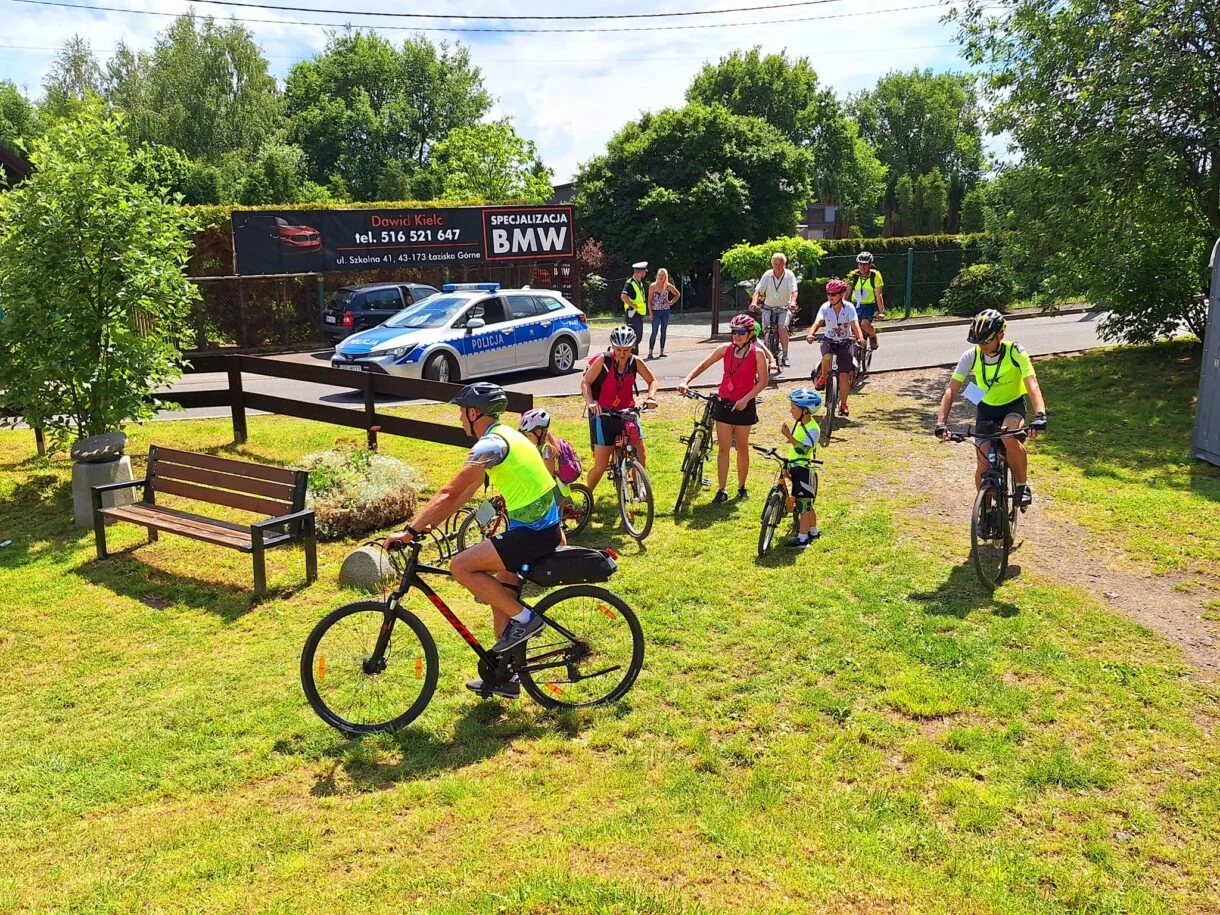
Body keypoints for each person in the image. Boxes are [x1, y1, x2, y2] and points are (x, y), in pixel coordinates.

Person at [383, 383, 561, 700]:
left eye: (461, 412)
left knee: (461, 567)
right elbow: (464, 492)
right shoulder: (506, 436)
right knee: (501, 593)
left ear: (473, 413)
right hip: (539, 528)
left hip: (534, 532)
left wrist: (409, 532)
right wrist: (429, 524)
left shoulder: (490, 445)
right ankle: (506, 674)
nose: (459, 419)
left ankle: (527, 620)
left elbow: (449, 492)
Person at [934, 310, 1048, 507]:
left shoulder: (1015, 351)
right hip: (986, 408)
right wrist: (941, 423)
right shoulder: (971, 355)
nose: (982, 346)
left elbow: (1032, 385)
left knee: (1008, 437)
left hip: (1012, 405)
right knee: (983, 463)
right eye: (978, 342)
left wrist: (1040, 415)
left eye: (986, 341)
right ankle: (984, 511)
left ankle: (1022, 486)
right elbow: (951, 390)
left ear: (1000, 335)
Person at [678, 313, 769, 502]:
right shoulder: (725, 349)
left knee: (742, 447)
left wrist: (746, 399)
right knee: (723, 448)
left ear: (750, 334)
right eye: (734, 331)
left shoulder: (758, 353)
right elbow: (704, 365)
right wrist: (686, 380)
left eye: (741, 332)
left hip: (744, 404)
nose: (736, 335)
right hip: (724, 402)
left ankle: (741, 487)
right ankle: (722, 489)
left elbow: (763, 381)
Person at [582, 326, 658, 495]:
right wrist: (590, 403)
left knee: (640, 452)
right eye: (618, 349)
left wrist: (651, 397)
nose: (622, 354)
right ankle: (587, 496)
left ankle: (639, 485)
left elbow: (652, 380)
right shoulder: (603, 361)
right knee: (601, 465)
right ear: (613, 347)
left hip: (628, 412)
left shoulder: (635, 362)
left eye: (626, 350)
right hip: (604, 414)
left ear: (632, 348)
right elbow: (586, 382)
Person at [806, 278, 866, 417]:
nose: (830, 297)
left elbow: (855, 324)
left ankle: (843, 404)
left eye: (833, 294)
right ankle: (823, 376)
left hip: (845, 342)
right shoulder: (825, 307)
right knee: (826, 356)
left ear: (841, 294)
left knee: (844, 375)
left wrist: (861, 338)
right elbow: (818, 321)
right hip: (829, 340)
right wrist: (811, 334)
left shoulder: (849, 308)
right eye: (828, 293)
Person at [518, 408, 580, 521]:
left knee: (552, 520)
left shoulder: (547, 450)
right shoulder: (541, 444)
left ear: (539, 433)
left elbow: (548, 475)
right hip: (552, 488)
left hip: (556, 490)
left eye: (529, 436)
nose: (528, 439)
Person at [783, 388, 823, 547]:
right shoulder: (800, 424)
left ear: (805, 411)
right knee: (807, 502)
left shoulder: (813, 429)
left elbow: (804, 450)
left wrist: (788, 436)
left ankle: (802, 538)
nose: (790, 411)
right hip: (795, 465)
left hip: (803, 469)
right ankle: (813, 531)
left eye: (793, 408)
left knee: (803, 505)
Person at [750, 252, 799, 368]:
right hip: (768, 307)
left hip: (784, 308)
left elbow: (794, 291)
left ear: (784, 264)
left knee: (782, 328)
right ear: (772, 264)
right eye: (775, 264)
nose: (778, 266)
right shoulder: (768, 274)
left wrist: (792, 302)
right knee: (765, 328)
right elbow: (758, 291)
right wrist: (754, 302)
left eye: (780, 264)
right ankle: (768, 350)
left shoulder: (789, 275)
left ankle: (785, 356)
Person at [848, 251, 886, 350]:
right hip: (855, 304)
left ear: (870, 265)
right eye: (860, 264)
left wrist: (881, 312)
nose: (862, 267)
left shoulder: (875, 275)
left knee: (864, 324)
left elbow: (878, 295)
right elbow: (846, 293)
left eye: (865, 264)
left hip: (869, 305)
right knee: (853, 328)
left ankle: (873, 336)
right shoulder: (853, 275)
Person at [647, 267, 681, 359]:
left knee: (663, 331)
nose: (661, 277)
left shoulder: (668, 286)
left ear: (666, 277)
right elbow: (649, 300)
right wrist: (650, 313)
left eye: (663, 275)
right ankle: (650, 352)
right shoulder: (652, 286)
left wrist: (671, 302)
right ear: (657, 276)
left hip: (665, 311)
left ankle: (662, 351)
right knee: (654, 331)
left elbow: (677, 294)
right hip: (655, 311)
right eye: (660, 275)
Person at [620, 261, 649, 355]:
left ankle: (634, 355)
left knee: (638, 337)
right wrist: (633, 305)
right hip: (632, 314)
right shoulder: (630, 283)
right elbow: (623, 296)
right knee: (633, 337)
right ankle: (631, 356)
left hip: (639, 314)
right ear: (640, 272)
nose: (645, 274)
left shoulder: (639, 283)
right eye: (644, 272)